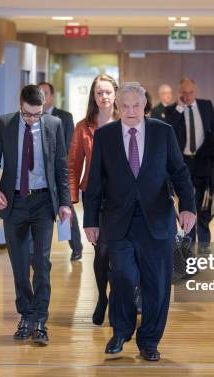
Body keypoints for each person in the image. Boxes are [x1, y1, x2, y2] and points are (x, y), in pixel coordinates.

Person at [83, 82, 196, 361]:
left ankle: (149, 341)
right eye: (125, 106)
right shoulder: (106, 135)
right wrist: (89, 221)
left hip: (157, 220)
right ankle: (121, 331)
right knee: (122, 276)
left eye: (136, 105)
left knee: (156, 283)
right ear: (117, 106)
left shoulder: (163, 132)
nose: (131, 111)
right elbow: (95, 181)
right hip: (118, 220)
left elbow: (179, 173)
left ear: (145, 105)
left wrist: (189, 207)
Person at [0, 84, 72, 346]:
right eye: (28, 114)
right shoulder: (4, 124)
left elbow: (61, 167)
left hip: (44, 202)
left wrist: (65, 203)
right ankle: (26, 315)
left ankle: (41, 320)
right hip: (14, 202)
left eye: (37, 114)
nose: (33, 119)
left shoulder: (53, 125)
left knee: (41, 263)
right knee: (20, 264)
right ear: (20, 105)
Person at [68, 74, 119, 325]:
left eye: (108, 91)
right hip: (95, 195)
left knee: (122, 249)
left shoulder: (129, 121)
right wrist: (72, 198)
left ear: (116, 94)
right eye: (99, 92)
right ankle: (103, 297)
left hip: (124, 195)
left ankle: (124, 296)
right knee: (102, 251)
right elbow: (74, 164)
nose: (104, 96)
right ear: (94, 96)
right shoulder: (83, 127)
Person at [164, 77, 214, 255]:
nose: (187, 96)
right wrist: (179, 108)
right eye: (184, 93)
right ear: (179, 93)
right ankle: (189, 243)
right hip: (182, 162)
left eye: (190, 92)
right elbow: (167, 128)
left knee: (204, 203)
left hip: (202, 161)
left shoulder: (206, 105)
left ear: (196, 91)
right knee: (187, 201)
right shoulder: (172, 109)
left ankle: (205, 242)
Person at [39, 81, 83, 261]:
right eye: (38, 93)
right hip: (38, 175)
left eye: (45, 93)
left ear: (52, 96)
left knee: (65, 211)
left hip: (58, 173)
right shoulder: (32, 117)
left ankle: (76, 248)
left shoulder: (64, 117)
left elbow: (69, 145)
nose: (41, 97)